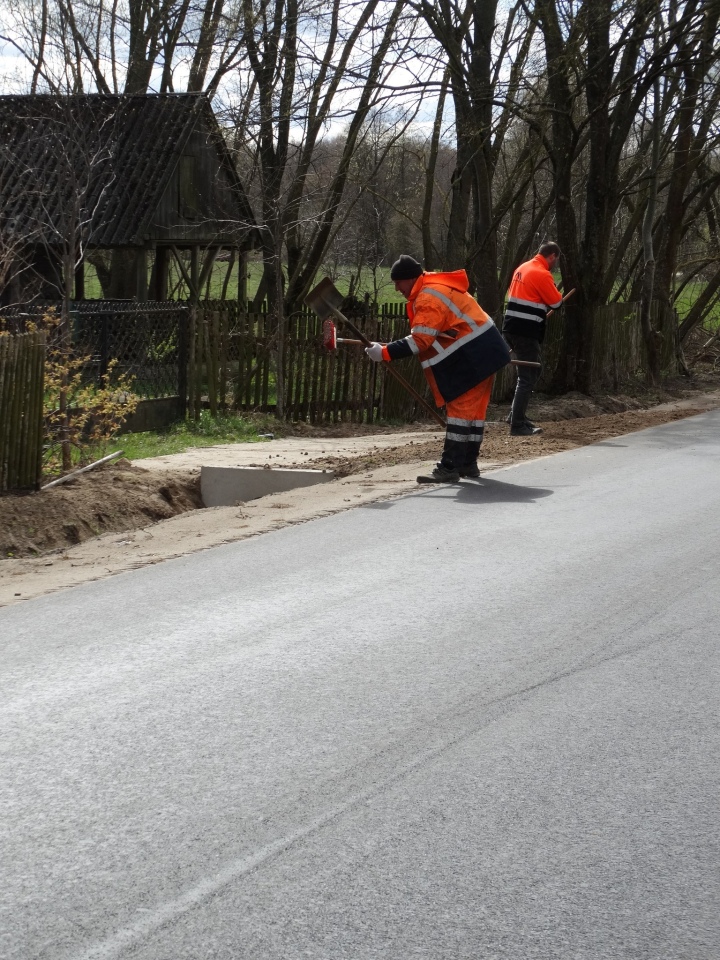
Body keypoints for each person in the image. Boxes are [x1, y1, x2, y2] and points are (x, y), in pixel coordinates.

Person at [365, 255, 510, 483]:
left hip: (475, 356)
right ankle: (467, 464)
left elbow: (421, 341)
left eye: (398, 282)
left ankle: (450, 467)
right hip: (485, 352)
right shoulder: (435, 288)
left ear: (411, 279)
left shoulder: (428, 298)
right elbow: (428, 334)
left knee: (461, 413)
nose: (396, 288)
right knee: (474, 415)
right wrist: (387, 348)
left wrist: (384, 352)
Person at [503, 242, 563, 436]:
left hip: (510, 327)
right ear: (552, 256)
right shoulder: (542, 273)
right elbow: (556, 302)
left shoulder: (522, 268)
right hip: (525, 331)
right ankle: (517, 425)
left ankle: (515, 415)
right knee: (527, 377)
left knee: (534, 371)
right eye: (556, 260)